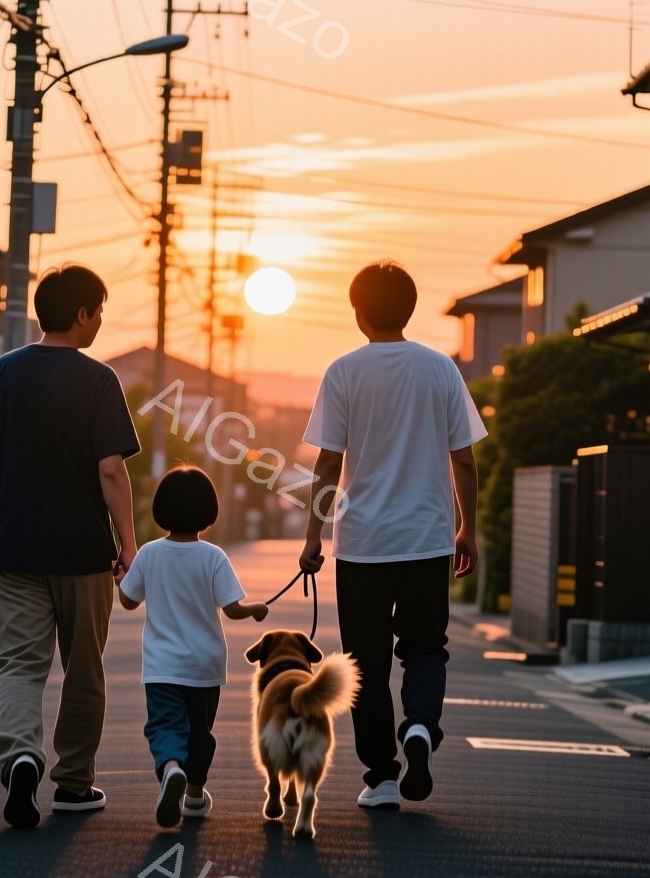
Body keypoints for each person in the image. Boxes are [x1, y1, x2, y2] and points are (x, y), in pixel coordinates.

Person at [0, 265, 140, 829]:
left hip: (13, 552)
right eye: (99, 310)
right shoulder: (98, 379)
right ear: (82, 313)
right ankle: (74, 784)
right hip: (83, 554)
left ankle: (21, 758)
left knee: (17, 666)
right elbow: (111, 470)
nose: (101, 321)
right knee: (84, 669)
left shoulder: (0, 374)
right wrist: (129, 544)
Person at [299, 260, 485, 810]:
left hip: (361, 544)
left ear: (358, 311)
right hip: (427, 538)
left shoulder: (343, 371)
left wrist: (314, 534)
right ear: (409, 307)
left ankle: (381, 775)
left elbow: (328, 464)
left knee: (366, 662)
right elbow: (465, 461)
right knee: (426, 648)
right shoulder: (440, 370)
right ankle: (421, 728)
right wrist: (467, 528)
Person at [118, 466, 269, 828]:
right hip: (205, 666)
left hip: (162, 667)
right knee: (200, 732)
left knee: (166, 725)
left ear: (161, 510)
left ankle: (171, 768)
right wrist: (256, 609)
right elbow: (232, 608)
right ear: (208, 511)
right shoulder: (214, 556)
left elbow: (127, 602)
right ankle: (195, 795)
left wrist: (122, 577)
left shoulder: (150, 554)